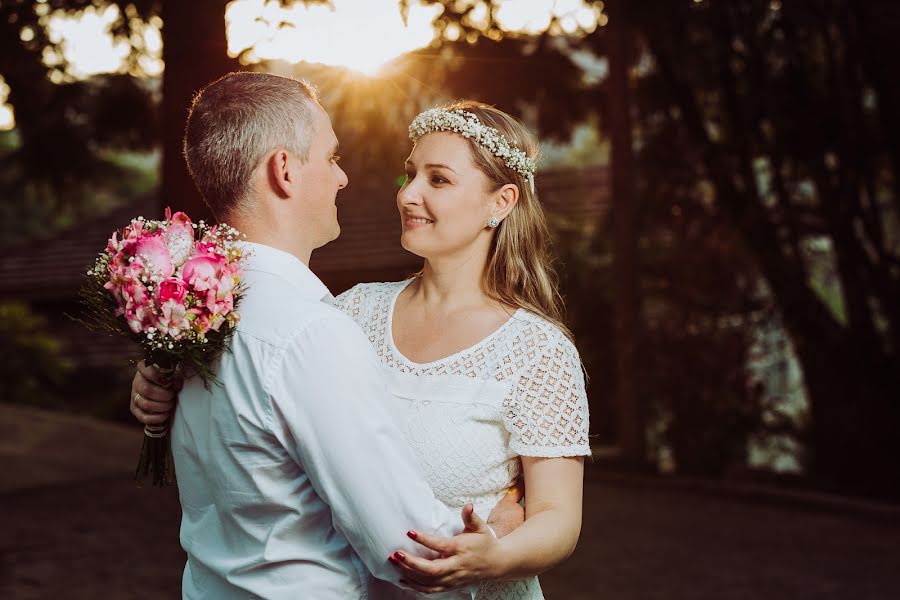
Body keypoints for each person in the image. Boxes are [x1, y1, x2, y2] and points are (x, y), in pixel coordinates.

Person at [132, 97, 591, 599]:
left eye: (438, 180)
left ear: (500, 203)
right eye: (409, 174)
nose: (408, 194)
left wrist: (498, 554)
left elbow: (557, 517)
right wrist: (162, 382)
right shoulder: (347, 314)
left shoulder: (538, 351)